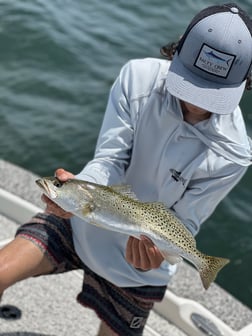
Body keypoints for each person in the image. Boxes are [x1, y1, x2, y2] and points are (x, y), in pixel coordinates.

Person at [1, 3, 252, 336]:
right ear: (175, 53)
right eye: (191, 84)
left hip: (139, 267)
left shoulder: (234, 153)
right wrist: (76, 194)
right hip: (82, 224)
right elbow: (110, 158)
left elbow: (187, 220)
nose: (198, 102)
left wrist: (160, 255)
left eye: (212, 93)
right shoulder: (138, 77)